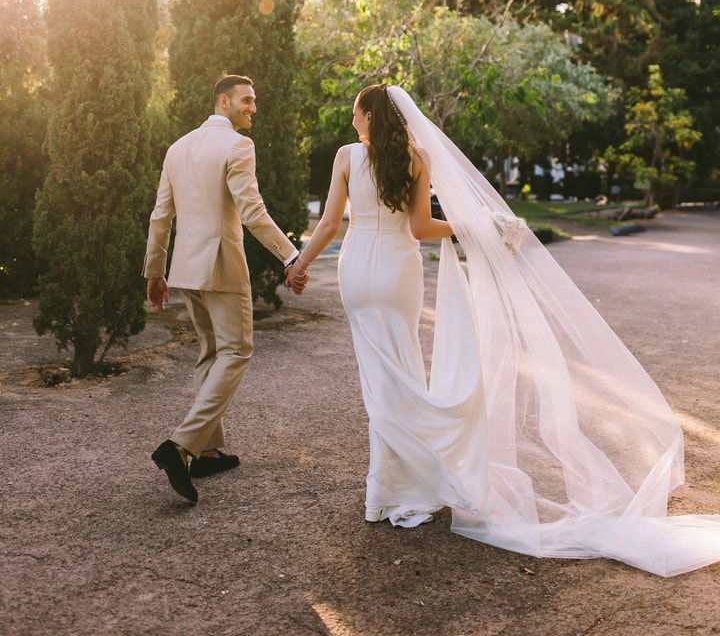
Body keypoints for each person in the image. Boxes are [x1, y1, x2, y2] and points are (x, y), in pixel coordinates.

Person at [286, 83, 720, 576]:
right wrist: (475, 225)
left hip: (357, 271)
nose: (352, 121)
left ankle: (387, 492)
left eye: (355, 113)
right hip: (397, 272)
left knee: (380, 379)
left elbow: (329, 225)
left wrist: (300, 265)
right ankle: (405, 485)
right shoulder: (415, 158)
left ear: (370, 115)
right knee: (402, 371)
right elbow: (421, 229)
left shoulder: (346, 156)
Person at [144, 74, 306, 504]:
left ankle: (209, 452)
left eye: (253, 101)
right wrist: (291, 256)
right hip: (221, 267)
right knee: (236, 352)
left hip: (185, 268)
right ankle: (181, 445)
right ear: (223, 101)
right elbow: (253, 211)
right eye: (246, 100)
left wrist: (155, 271)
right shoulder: (237, 145)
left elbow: (160, 216)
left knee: (211, 352)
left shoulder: (177, 148)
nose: (253, 108)